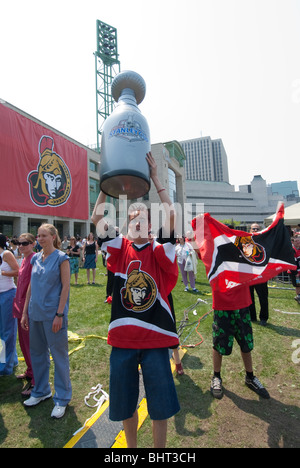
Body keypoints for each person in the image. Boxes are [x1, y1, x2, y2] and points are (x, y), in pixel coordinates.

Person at [91, 152, 180, 448]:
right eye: (132, 220)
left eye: (141, 219)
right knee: (125, 403)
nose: (136, 223)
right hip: (124, 341)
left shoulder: (160, 250)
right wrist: (106, 183)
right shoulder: (119, 249)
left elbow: (172, 214)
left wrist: (156, 178)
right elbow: (95, 218)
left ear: (150, 226)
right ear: (127, 226)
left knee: (160, 406)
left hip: (155, 342)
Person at [21, 224, 72, 419]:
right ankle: (41, 391)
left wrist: (59, 314)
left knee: (59, 357)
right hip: (35, 314)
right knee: (37, 354)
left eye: (43, 235)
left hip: (53, 315)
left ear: (53, 236)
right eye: (38, 236)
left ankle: (62, 398)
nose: (40, 239)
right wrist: (25, 312)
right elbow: (31, 287)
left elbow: (66, 288)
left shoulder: (61, 258)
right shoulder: (35, 257)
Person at [210, 283, 270, 400]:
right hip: (222, 302)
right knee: (219, 343)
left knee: (246, 342)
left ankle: (250, 377)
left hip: (242, 302)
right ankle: (216, 376)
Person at [12, 233, 36, 395]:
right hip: (19, 306)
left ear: (33, 244)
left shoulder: (34, 259)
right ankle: (29, 371)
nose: (21, 246)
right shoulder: (24, 259)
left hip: (28, 308)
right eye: (19, 243)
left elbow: (33, 286)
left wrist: (26, 309)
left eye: (25, 243)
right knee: (23, 342)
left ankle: (36, 379)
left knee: (30, 344)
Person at [0, 234, 19, 376]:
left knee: (8, 331)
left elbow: (18, 271)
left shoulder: (6, 254)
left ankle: (5, 367)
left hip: (8, 294)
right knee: (2, 331)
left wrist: (4, 273)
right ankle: (12, 360)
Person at [248, 223, 269, 325]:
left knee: (263, 297)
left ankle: (263, 318)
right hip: (249, 275)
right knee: (249, 297)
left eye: (257, 229)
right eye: (253, 229)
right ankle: (252, 317)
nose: (255, 230)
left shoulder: (265, 242)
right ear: (250, 230)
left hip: (261, 275)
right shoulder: (245, 241)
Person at [291, 235, 300, 304]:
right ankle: (298, 297)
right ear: (293, 242)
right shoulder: (292, 250)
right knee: (298, 285)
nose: (298, 242)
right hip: (295, 272)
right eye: (296, 241)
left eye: (299, 240)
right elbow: (292, 263)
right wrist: (295, 272)